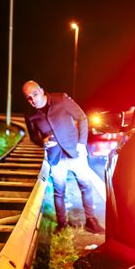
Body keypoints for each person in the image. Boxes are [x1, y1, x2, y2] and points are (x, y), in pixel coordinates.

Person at [22, 80, 104, 234]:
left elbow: (82, 118)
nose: (33, 100)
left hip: (76, 152)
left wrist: (81, 143)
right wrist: (42, 142)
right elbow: (34, 137)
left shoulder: (61, 100)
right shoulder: (30, 114)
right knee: (59, 192)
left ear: (42, 91)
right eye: (28, 98)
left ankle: (91, 221)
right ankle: (62, 224)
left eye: (35, 94)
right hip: (56, 157)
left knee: (86, 186)